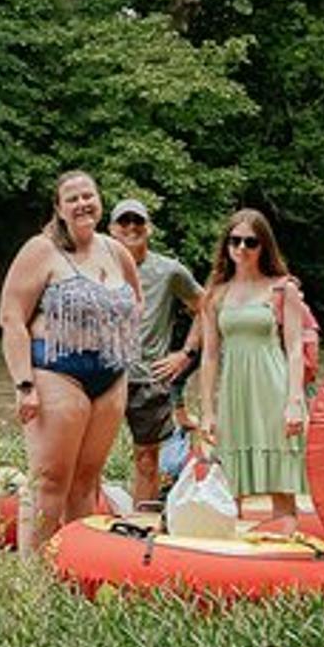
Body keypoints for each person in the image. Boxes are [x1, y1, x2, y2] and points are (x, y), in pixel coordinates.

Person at [0, 171, 142, 555]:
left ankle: (75, 570)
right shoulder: (40, 250)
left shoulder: (116, 251)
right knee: (49, 481)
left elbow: (136, 302)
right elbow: (11, 317)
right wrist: (24, 385)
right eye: (72, 198)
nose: (82, 204)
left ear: (100, 201)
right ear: (59, 209)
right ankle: (32, 579)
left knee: (87, 481)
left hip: (110, 374)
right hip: (57, 371)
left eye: (88, 196)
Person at [197, 210, 309, 529]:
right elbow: (209, 357)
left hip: (273, 391)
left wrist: (294, 401)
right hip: (234, 395)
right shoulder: (214, 295)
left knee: (281, 486)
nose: (242, 248)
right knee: (229, 485)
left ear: (264, 246)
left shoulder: (282, 289)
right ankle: (232, 567)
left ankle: (285, 563)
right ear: (226, 245)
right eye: (235, 240)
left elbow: (294, 350)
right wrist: (207, 411)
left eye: (251, 241)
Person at [107, 198, 203, 510]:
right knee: (87, 458)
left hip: (148, 379)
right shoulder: (96, 266)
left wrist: (185, 354)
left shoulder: (169, 271)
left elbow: (206, 308)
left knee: (147, 460)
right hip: (101, 376)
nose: (131, 228)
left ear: (149, 228)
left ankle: (140, 527)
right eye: (124, 222)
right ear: (111, 229)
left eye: (138, 222)